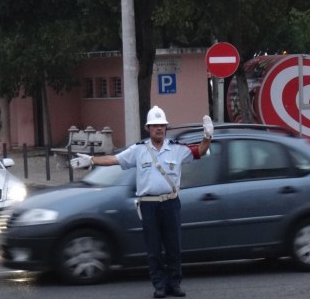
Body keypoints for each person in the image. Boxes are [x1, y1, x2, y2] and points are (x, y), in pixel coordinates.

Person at [70, 106, 213, 298]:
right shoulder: (139, 150)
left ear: (166, 127)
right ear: (148, 129)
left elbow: (200, 151)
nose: (159, 129)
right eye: (154, 126)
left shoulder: (177, 149)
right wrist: (92, 160)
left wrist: (208, 136)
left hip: (171, 203)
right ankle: (160, 286)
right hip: (149, 205)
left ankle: (175, 284)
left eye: (161, 125)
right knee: (153, 249)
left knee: (173, 248)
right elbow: (115, 159)